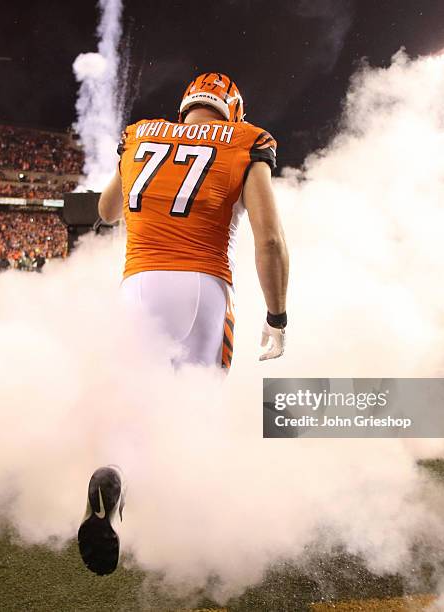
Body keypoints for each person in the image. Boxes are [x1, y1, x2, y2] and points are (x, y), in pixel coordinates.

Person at [78, 72, 289, 576]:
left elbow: (106, 211)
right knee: (195, 404)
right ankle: (195, 527)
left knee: (136, 397)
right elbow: (270, 240)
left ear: (185, 106)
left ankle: (116, 472)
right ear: (231, 110)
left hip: (137, 283)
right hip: (201, 285)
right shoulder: (245, 140)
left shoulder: (140, 133)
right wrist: (277, 317)